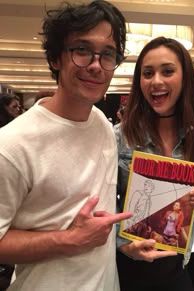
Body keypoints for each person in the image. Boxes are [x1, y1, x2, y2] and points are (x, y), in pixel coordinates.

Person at [0, 1, 131, 291]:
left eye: (107, 54)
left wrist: (123, 243)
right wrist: (70, 239)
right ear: (56, 58)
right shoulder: (11, 145)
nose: (96, 65)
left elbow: (101, 219)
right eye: (82, 50)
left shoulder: (102, 125)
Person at [115, 36, 194, 291]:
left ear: (185, 78)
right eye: (147, 73)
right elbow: (107, 207)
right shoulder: (121, 136)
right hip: (128, 267)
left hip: (176, 268)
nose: (156, 81)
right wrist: (123, 245)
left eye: (167, 71)